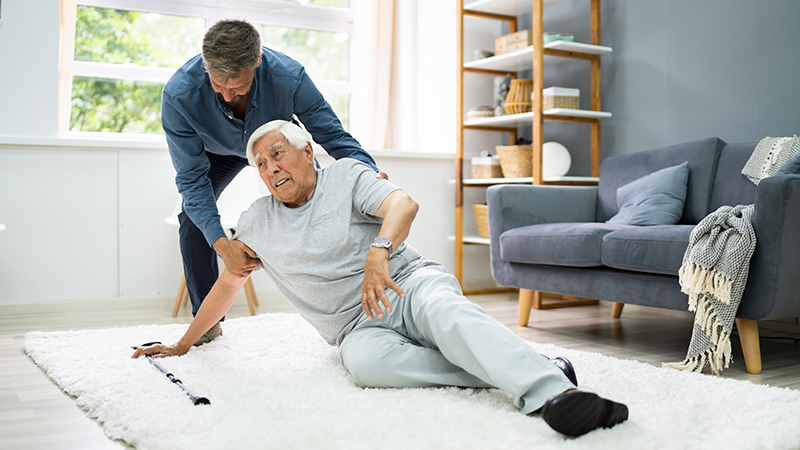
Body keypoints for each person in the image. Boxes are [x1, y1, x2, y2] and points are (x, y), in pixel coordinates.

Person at [134, 120, 629, 438]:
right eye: (260, 164)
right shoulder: (258, 221)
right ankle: (529, 365)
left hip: (406, 286)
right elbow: (229, 284)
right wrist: (182, 345)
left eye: (278, 154)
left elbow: (402, 203)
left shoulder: (346, 175)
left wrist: (379, 251)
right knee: (368, 367)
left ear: (308, 151)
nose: (270, 168)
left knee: (446, 315)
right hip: (356, 328)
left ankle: (552, 396)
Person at [162, 19, 385, 345]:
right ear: (205, 65)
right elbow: (192, 180)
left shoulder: (289, 77)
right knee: (191, 219)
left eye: (236, 85)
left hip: (273, 144)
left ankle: (345, 297)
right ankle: (207, 323)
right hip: (218, 153)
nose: (226, 94)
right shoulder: (179, 95)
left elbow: (333, 137)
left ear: (257, 62)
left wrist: (369, 176)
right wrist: (222, 245)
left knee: (326, 200)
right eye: (217, 83)